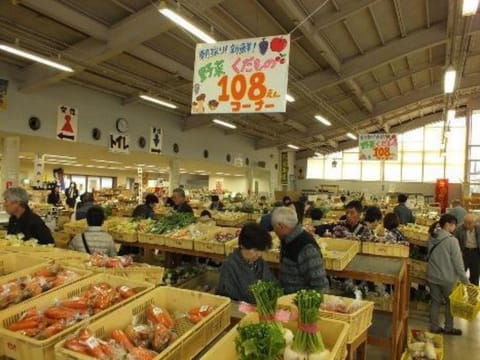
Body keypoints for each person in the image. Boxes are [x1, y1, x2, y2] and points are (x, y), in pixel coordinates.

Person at [427, 213, 469, 335]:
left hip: (432, 276)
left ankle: (434, 327)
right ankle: (448, 328)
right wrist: (465, 280)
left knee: (435, 302)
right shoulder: (452, 241)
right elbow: (458, 264)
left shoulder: (432, 236)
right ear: (447, 225)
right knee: (450, 303)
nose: (455, 227)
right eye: (454, 225)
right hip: (447, 278)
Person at [272, 206, 329, 294]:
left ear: (280, 226)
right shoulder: (287, 240)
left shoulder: (306, 248)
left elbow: (321, 286)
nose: (274, 231)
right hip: (287, 301)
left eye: (274, 227)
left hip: (301, 303)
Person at [216, 222, 276, 303]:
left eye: (261, 250)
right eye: (255, 250)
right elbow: (226, 297)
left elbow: (273, 284)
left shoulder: (259, 261)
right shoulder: (230, 265)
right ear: (242, 246)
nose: (259, 254)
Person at [454, 213, 480, 285]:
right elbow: (454, 241)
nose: (466, 224)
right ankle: (459, 293)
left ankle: (473, 294)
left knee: (475, 275)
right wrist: (459, 251)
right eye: (465, 222)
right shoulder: (459, 229)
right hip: (464, 252)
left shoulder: (478, 228)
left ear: (475, 223)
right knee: (460, 274)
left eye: (469, 223)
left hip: (476, 253)